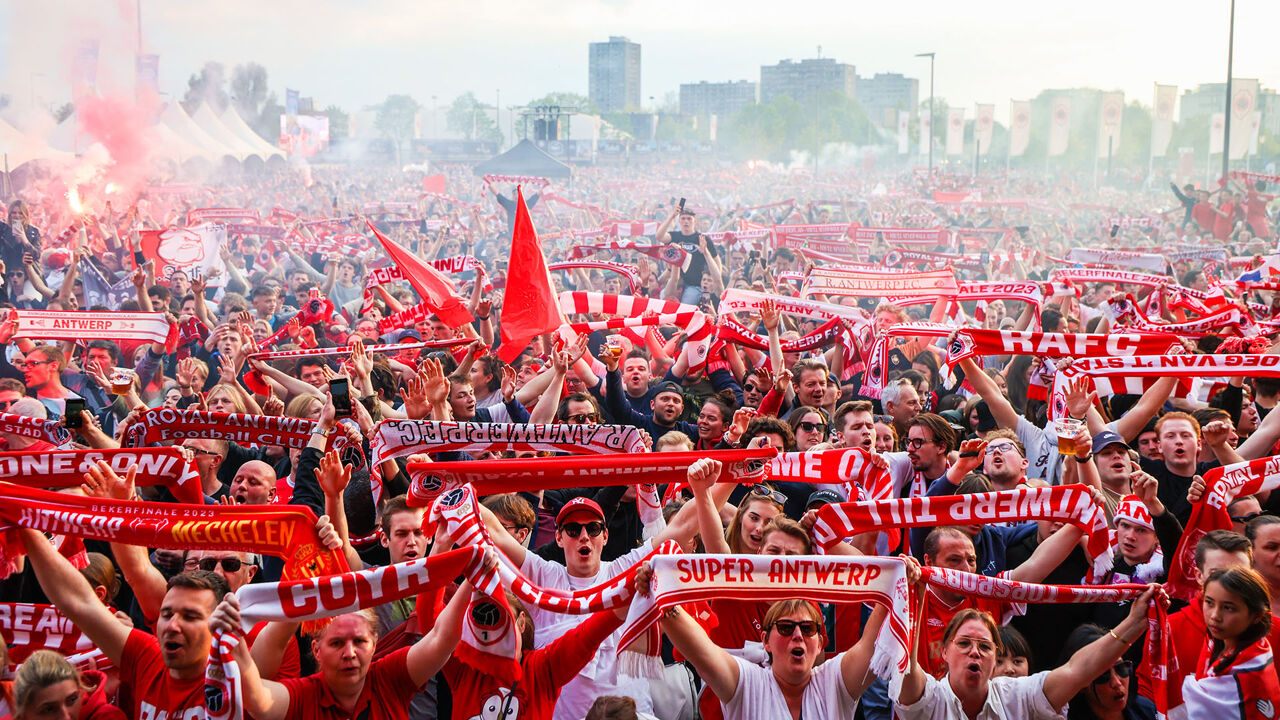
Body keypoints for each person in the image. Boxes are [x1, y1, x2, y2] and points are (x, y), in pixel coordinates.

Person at [210, 577, 471, 720]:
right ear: (316, 649)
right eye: (337, 643)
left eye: (359, 642)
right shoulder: (303, 696)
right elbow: (257, 700)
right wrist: (234, 639)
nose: (350, 653)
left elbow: (441, 639)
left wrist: (473, 578)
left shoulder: (390, 678)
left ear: (375, 644)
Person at [897, 583, 1166, 719]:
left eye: (985, 646)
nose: (975, 652)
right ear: (944, 651)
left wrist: (1134, 622)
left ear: (994, 658)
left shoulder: (1018, 696)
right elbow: (907, 666)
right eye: (964, 643)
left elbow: (1076, 671)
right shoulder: (929, 698)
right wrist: (913, 594)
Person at [1173, 567, 1280, 719]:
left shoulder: (1248, 672)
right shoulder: (1219, 645)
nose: (1215, 616)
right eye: (1209, 603)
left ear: (1256, 615)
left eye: (1228, 608)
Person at [6, 649, 125, 720]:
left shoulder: (107, 717)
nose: (66, 717)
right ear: (23, 716)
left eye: (72, 700)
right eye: (49, 709)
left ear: (81, 690)